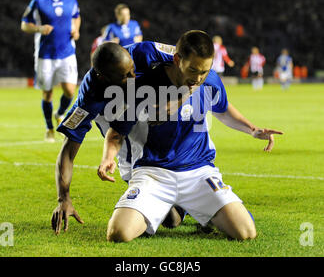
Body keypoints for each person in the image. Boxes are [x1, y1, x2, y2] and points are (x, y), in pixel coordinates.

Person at [99, 30, 283, 243]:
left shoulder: (210, 79)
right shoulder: (146, 84)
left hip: (198, 172)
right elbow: (117, 132)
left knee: (246, 232)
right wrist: (107, 157)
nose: (198, 78)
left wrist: (252, 129)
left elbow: (222, 108)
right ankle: (188, 210)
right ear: (177, 59)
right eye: (193, 70)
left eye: (204, 71)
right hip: (153, 172)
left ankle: (205, 213)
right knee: (118, 233)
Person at [51, 41, 185, 234]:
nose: (133, 76)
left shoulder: (145, 52)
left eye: (132, 70)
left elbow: (190, 58)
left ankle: (193, 189)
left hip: (156, 111)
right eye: (125, 76)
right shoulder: (89, 98)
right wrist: (63, 199)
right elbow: (68, 152)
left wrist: (179, 98)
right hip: (119, 132)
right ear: (103, 77)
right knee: (169, 218)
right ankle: (183, 204)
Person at [21, 0, 81, 142]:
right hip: (45, 55)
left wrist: (76, 29)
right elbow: (24, 24)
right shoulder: (37, 2)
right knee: (47, 93)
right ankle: (49, 127)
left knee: (70, 91)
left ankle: (60, 113)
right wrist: (39, 28)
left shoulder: (71, 0)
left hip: (67, 53)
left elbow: (76, 16)